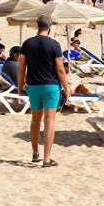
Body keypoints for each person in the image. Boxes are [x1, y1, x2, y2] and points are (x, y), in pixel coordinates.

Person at [18, 15, 71, 167]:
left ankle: (35, 154)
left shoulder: (27, 43)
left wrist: (20, 86)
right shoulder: (54, 44)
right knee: (49, 121)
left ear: (38, 26)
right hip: (51, 86)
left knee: (35, 120)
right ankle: (46, 159)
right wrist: (67, 88)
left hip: (33, 86)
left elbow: (21, 67)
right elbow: (60, 70)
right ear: (49, 28)